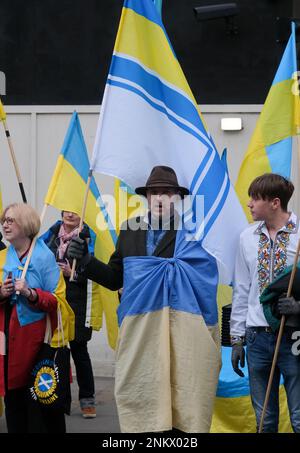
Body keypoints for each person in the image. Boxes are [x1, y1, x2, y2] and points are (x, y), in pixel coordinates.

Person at [67, 165, 221, 433]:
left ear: (178, 198)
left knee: (181, 396)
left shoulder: (194, 234)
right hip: (141, 329)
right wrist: (86, 260)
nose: (160, 198)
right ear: (147, 197)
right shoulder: (130, 231)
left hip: (180, 329)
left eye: (167, 193)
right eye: (154, 193)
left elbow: (204, 278)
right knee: (143, 393)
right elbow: (116, 278)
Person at [230, 173, 300, 433]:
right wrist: (237, 338)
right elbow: (241, 289)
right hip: (257, 337)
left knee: (299, 416)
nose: (249, 204)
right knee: (264, 420)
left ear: (275, 203)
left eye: (255, 198)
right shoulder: (246, 237)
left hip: (293, 334)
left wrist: (299, 307)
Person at [0, 203, 74, 433]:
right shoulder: (2, 256)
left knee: (38, 406)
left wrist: (32, 293)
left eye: (11, 220)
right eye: (4, 220)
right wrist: (2, 293)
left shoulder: (43, 257)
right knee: (13, 401)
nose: (5, 224)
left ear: (27, 224)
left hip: (36, 342)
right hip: (7, 340)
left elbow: (58, 301)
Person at [41, 211, 96, 418]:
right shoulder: (51, 234)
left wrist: (72, 273)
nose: (70, 214)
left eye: (75, 210)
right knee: (56, 350)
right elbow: (37, 255)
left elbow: (95, 270)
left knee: (79, 350)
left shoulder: (88, 237)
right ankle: (62, 399)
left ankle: (87, 400)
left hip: (78, 299)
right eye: (66, 210)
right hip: (55, 297)